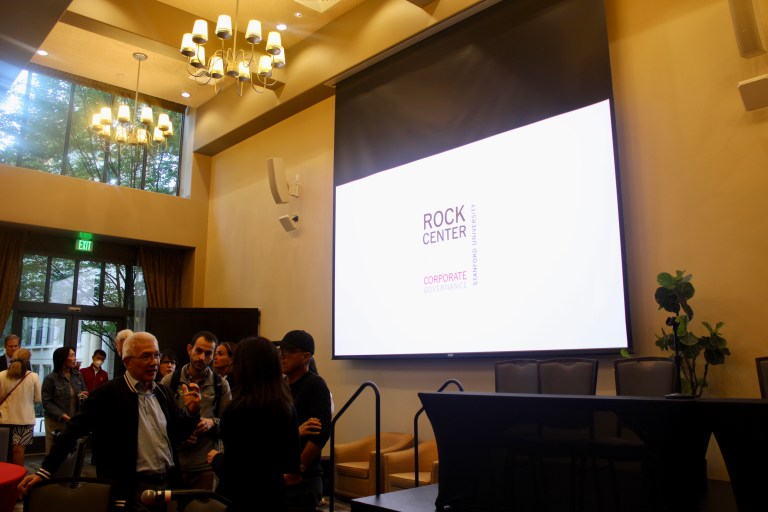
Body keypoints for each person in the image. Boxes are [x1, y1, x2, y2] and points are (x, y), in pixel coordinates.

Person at [18, 331, 202, 512]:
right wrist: (45, 471)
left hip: (167, 485)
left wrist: (192, 412)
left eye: (156, 355)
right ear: (127, 362)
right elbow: (72, 432)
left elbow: (179, 434)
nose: (154, 362)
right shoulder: (107, 394)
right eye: (146, 356)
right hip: (131, 488)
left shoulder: (163, 393)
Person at [207, 337, 301, 512]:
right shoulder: (286, 407)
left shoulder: (236, 410)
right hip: (274, 499)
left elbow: (236, 472)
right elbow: (292, 468)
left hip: (241, 500)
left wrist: (217, 459)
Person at [161, 331, 231, 491]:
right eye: (198, 351)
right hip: (173, 463)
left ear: (213, 355)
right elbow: (160, 421)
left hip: (204, 466)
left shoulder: (221, 385)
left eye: (208, 353)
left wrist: (212, 423)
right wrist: (181, 433)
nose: (202, 357)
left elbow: (228, 424)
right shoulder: (170, 380)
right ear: (189, 349)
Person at [275, 330, 333, 509]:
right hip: (281, 474)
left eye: (290, 352)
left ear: (306, 356)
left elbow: (319, 434)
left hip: (303, 479)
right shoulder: (281, 386)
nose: (283, 356)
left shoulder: (315, 385)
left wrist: (298, 467)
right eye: (281, 351)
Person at [41, 346, 87, 454]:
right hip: (56, 421)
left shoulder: (78, 375)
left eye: (74, 355)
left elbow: (84, 390)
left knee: (70, 453)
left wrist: (84, 395)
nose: (74, 358)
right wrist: (62, 415)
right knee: (54, 453)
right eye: (71, 355)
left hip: (73, 420)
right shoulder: (51, 378)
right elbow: (46, 402)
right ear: (62, 358)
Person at [0, 348, 41, 467]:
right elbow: (39, 398)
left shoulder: (1, 375)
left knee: (2, 451)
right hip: (25, 420)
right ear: (28, 361)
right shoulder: (33, 376)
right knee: (18, 451)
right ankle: (17, 479)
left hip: (3, 420)